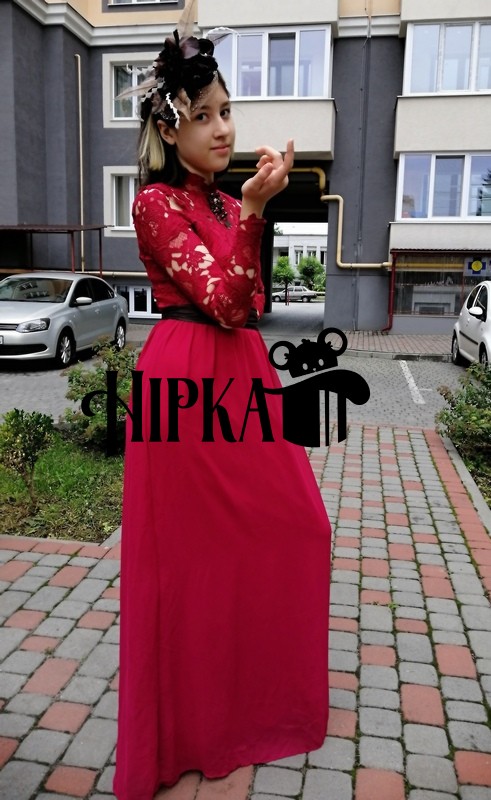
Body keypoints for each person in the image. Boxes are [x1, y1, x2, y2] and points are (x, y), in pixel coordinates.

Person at [113, 14, 331, 800]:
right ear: (169, 129)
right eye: (202, 115)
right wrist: (253, 212)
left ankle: (244, 706)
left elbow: (253, 301)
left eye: (227, 111)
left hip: (241, 377)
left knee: (298, 528)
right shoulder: (155, 204)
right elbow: (228, 302)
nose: (221, 128)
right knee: (190, 563)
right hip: (184, 382)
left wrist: (250, 211)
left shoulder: (224, 205)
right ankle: (191, 730)